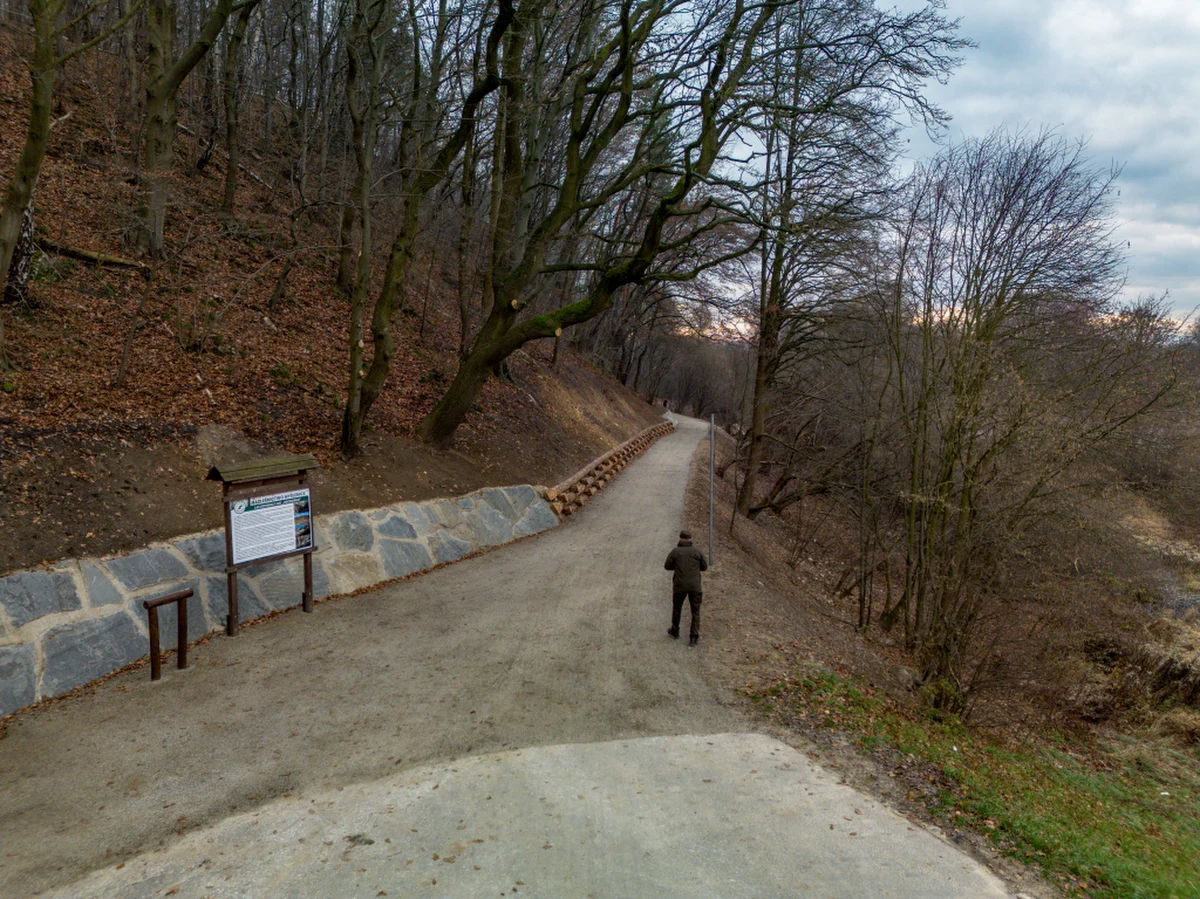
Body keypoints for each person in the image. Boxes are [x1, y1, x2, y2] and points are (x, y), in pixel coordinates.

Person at [664, 529, 707, 646]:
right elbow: (704, 567)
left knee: (677, 608)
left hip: (679, 586)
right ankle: (693, 638)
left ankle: (675, 630)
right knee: (696, 612)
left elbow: (667, 566)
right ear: (691, 539)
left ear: (680, 539)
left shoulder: (675, 552)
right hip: (695, 586)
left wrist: (678, 567)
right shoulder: (698, 552)